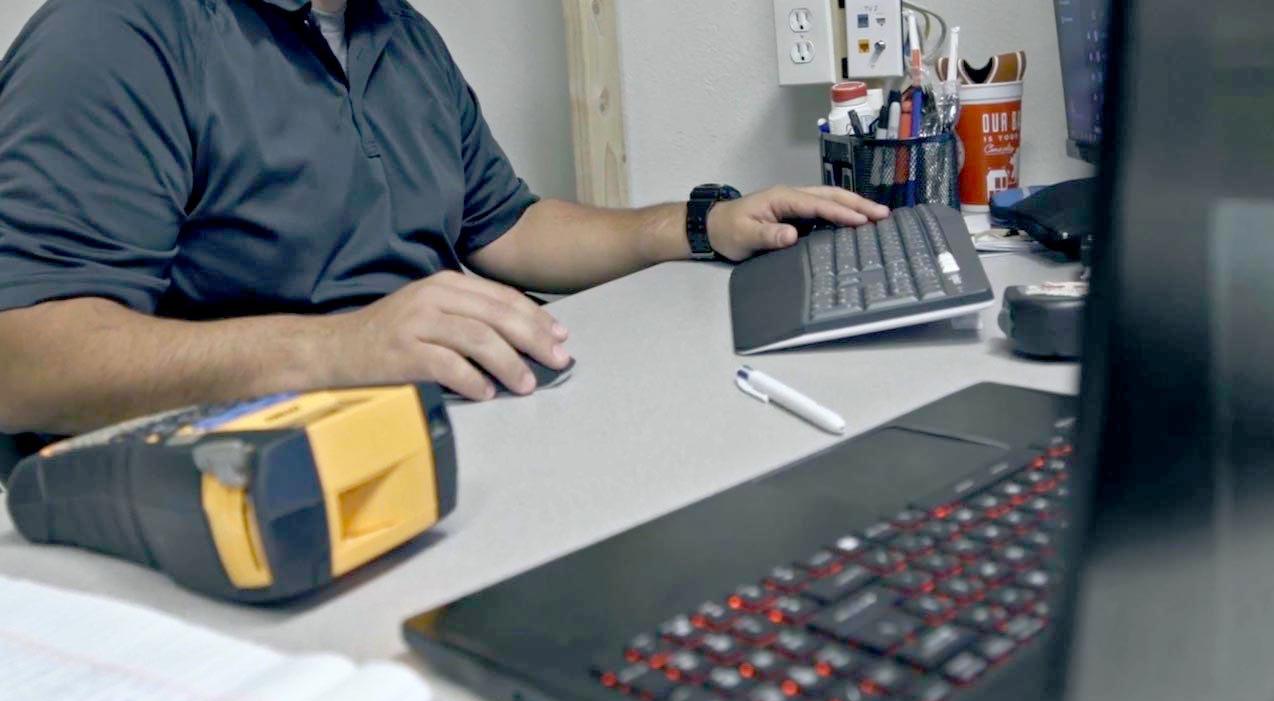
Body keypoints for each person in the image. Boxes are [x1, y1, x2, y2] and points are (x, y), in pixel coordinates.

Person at [0, 0, 887, 437]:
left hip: (443, 426)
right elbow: (23, 359)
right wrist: (334, 349)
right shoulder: (114, 34)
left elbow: (508, 228)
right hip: (240, 477)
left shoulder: (400, 33)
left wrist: (703, 225)